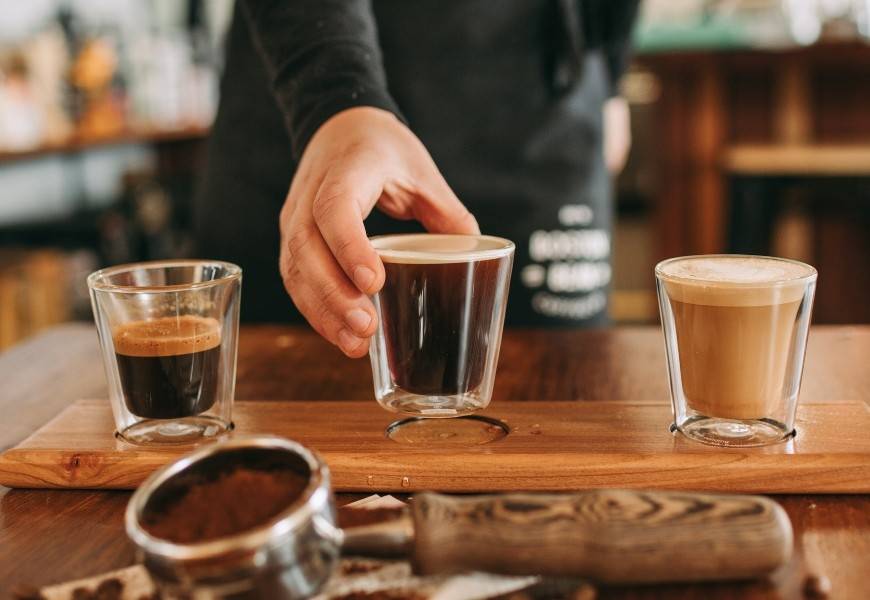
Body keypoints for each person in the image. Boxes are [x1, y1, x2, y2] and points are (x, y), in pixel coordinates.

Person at [195, 1, 639, 358]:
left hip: (546, 101)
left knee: (561, 417)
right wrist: (334, 98)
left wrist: (614, 65)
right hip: (314, 111)